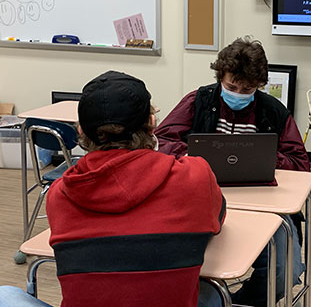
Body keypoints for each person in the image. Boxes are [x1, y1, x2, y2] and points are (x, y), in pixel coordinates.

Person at [0, 71, 226, 307]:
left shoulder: (60, 194)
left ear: (80, 132)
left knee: (5, 295)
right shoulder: (195, 176)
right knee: (211, 292)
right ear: (152, 123)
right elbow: (218, 219)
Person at [155, 36, 310, 306]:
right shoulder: (199, 100)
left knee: (288, 270)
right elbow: (162, 141)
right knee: (177, 259)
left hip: (264, 206)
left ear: (260, 85)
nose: (238, 93)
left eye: (247, 89)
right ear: (220, 77)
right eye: (231, 86)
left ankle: (240, 302)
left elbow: (300, 163)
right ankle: (208, 296)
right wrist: (193, 154)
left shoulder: (274, 111)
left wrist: (266, 157)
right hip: (199, 200)